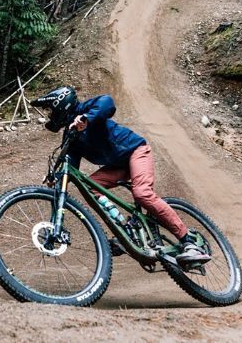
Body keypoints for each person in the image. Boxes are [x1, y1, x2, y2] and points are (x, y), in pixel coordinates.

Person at [32, 86, 211, 265]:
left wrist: (87, 118)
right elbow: (69, 163)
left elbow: (107, 103)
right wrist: (56, 177)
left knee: (141, 193)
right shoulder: (70, 134)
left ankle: (190, 241)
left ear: (60, 104)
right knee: (88, 186)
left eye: (50, 109)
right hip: (118, 166)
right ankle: (126, 230)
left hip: (136, 151)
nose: (49, 115)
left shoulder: (85, 110)